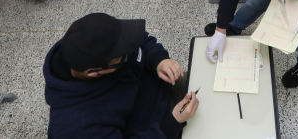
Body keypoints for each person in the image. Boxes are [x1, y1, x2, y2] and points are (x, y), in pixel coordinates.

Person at [44, 13, 199, 139]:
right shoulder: (78, 128)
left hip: (165, 87)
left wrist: (159, 60)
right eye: (124, 57)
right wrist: (172, 123)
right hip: (160, 129)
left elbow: (140, 41)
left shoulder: (91, 38)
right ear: (94, 72)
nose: (129, 53)